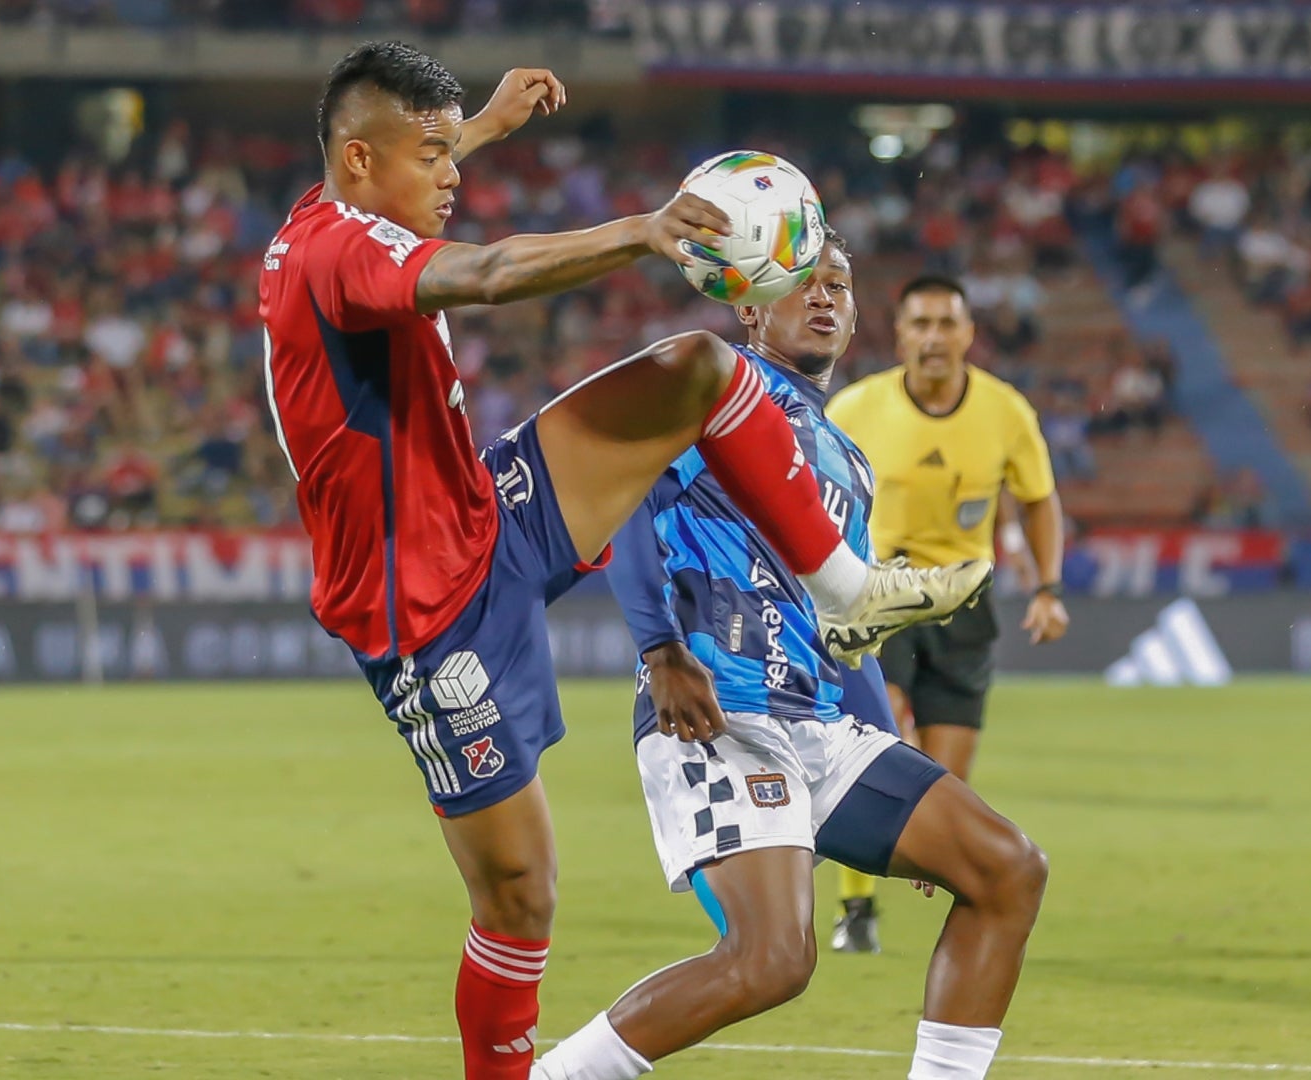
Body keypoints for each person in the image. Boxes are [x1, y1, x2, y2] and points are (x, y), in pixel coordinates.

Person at [257, 43, 987, 1080]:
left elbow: (414, 167)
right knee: (521, 897)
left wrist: (489, 126)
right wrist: (643, 233)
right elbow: (495, 272)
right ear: (364, 161)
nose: (452, 175)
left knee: (696, 367)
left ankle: (844, 586)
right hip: (424, 613)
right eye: (434, 157)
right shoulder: (341, 256)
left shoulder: (347, 202)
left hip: (486, 512)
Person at [531, 232, 1045, 1080]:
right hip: (717, 707)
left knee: (1006, 868)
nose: (824, 297)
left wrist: (900, 765)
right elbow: (628, 504)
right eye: (802, 282)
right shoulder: (718, 389)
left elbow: (848, 623)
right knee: (772, 960)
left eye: (839, 286)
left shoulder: (849, 457)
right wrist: (660, 650)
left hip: (821, 721)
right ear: (747, 305)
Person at [824, 275, 1068, 954]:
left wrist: (1049, 587)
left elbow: (1039, 499)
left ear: (968, 334)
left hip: (966, 603)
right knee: (882, 739)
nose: (933, 338)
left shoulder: (1006, 411)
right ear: (900, 334)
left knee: (945, 777)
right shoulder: (854, 408)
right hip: (878, 596)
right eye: (920, 324)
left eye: (945, 324)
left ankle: (938, 878)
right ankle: (857, 907)